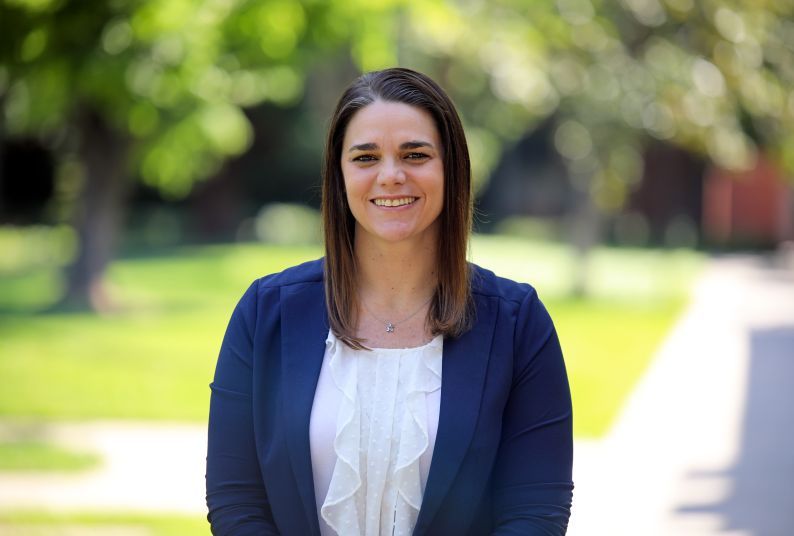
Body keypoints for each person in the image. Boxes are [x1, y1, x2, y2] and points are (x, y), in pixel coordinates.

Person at [206, 67, 574, 535]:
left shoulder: (518, 324)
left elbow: (535, 511)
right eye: (365, 157)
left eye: (415, 154)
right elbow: (236, 500)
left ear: (451, 168)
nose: (391, 175)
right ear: (339, 175)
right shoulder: (266, 314)